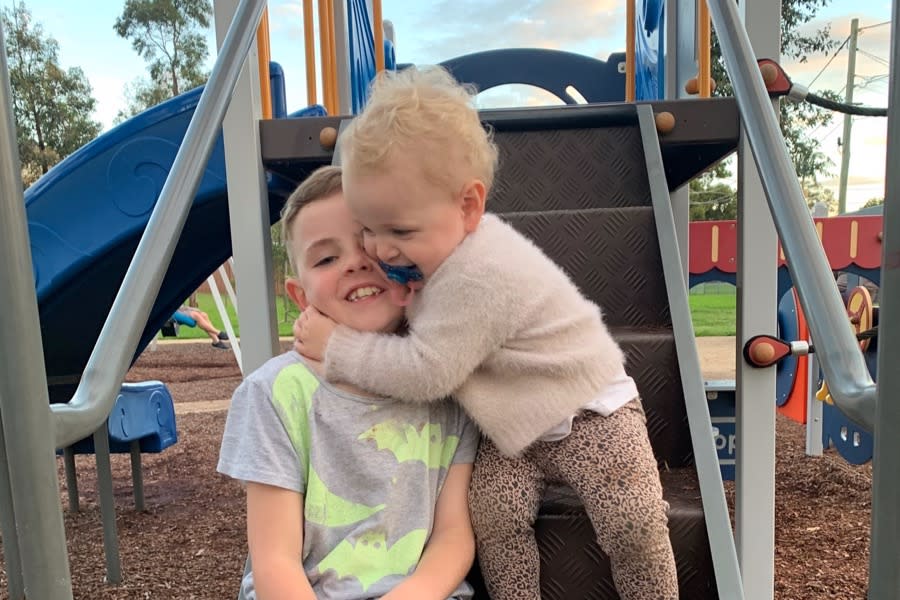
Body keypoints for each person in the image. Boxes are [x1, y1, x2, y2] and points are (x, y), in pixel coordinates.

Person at [293, 67, 679, 600]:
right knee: (494, 519)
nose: (379, 251)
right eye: (367, 229)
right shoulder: (428, 251)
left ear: (468, 206)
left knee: (632, 521)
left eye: (398, 232)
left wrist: (338, 347)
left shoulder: (482, 271)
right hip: (510, 430)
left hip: (591, 412)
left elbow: (427, 371)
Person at [217, 166, 478, 600]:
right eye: (326, 258)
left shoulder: (443, 386)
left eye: (367, 243)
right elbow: (275, 560)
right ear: (301, 297)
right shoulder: (276, 393)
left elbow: (453, 537)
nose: (355, 262)